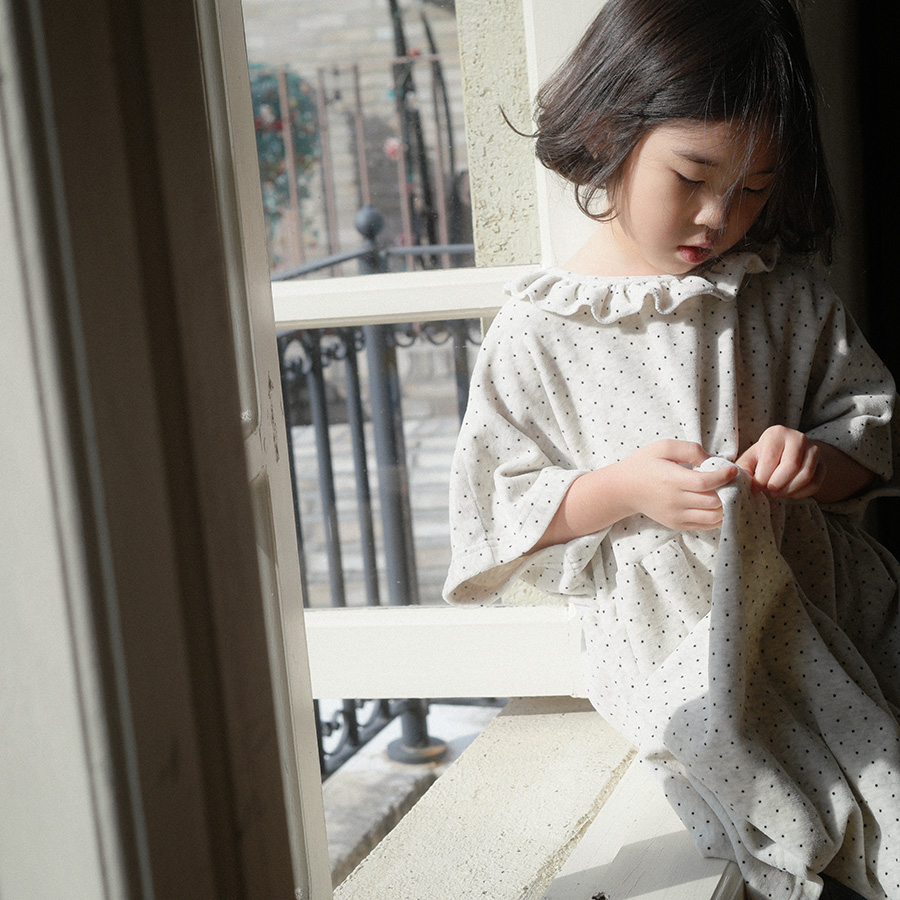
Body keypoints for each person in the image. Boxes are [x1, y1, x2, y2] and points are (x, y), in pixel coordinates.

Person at [442, 2, 900, 898]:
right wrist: (620, 489)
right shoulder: (541, 329)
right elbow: (495, 506)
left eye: (755, 188)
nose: (719, 216)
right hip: (678, 635)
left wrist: (816, 459)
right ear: (609, 131)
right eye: (691, 177)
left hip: (825, 602)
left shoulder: (780, 296)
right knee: (787, 797)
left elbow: (872, 422)